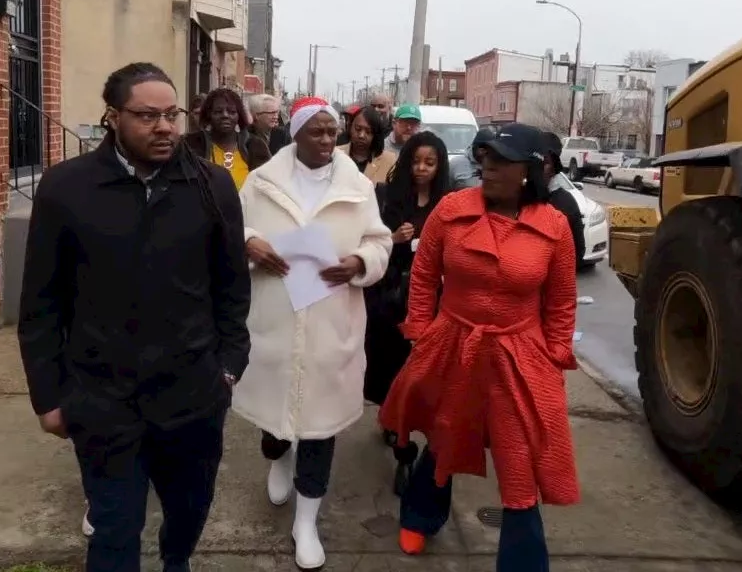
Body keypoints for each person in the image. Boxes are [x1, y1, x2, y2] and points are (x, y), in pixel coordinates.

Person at [17, 62, 251, 572]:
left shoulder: (211, 186)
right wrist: (49, 396)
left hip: (193, 396)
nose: (164, 126)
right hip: (103, 401)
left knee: (188, 514)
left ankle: (176, 562)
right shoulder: (66, 188)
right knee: (114, 530)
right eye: (147, 115)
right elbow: (40, 303)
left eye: (172, 114)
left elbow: (233, 287)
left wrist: (228, 367)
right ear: (113, 117)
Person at [380, 122, 579, 571]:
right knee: (445, 435)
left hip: (518, 352)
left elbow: (562, 301)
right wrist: (421, 331)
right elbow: (425, 276)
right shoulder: (451, 210)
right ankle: (421, 514)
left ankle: (522, 562)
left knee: (517, 458)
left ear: (529, 170)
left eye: (501, 161)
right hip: (454, 341)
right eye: (485, 158)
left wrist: (553, 354)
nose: (488, 167)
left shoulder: (554, 225)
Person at [233, 96, 394, 570]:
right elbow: (231, 229)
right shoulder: (262, 184)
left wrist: (360, 262)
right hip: (275, 320)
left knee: (320, 429)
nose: (327, 141)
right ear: (296, 134)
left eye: (331, 132)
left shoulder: (358, 186)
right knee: (274, 420)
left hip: (331, 323)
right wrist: (251, 245)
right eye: (316, 132)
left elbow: (379, 241)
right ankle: (278, 455)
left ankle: (307, 522)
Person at [364, 131, 452, 494]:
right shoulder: (388, 196)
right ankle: (398, 432)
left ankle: (414, 439)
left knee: (427, 378)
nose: (421, 169)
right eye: (416, 161)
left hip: (436, 299)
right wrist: (393, 239)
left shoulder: (450, 203)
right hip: (393, 297)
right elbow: (370, 240)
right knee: (394, 369)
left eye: (429, 163)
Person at [185, 87, 271, 188]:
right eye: (218, 111)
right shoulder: (192, 145)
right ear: (209, 114)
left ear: (239, 115)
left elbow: (267, 187)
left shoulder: (255, 146)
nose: (225, 115)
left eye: (231, 112)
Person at [541, 132, 586, 267]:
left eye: (545, 162)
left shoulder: (565, 203)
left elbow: (577, 253)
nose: (538, 167)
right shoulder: (518, 196)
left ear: (554, 167)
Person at [339, 105, 397, 184]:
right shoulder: (336, 154)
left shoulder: (390, 160)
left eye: (368, 131)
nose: (361, 135)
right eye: (358, 129)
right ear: (350, 127)